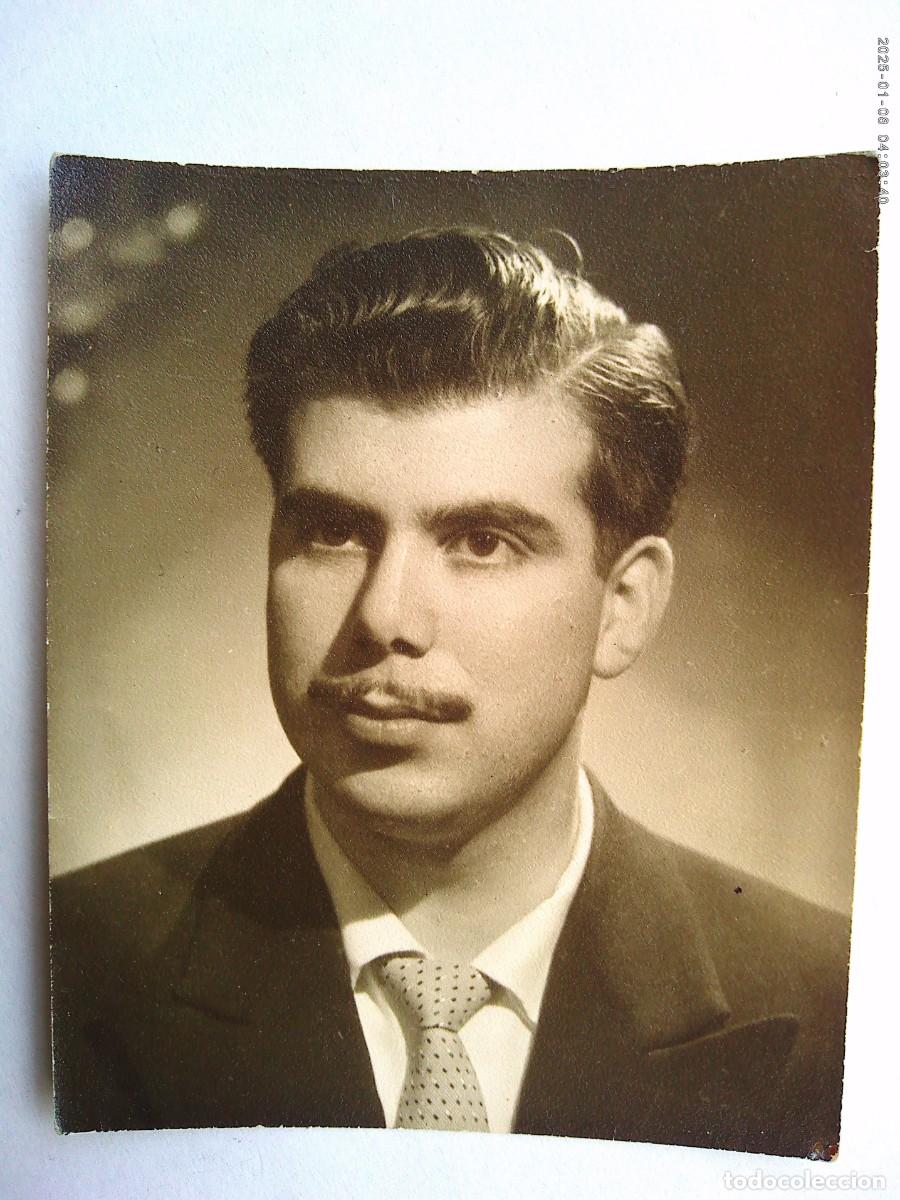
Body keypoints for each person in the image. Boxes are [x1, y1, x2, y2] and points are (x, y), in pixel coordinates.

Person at [51, 228, 849, 1155]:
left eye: (481, 542)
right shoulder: (57, 968)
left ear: (623, 608)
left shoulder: (841, 1005)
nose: (385, 617)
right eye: (334, 533)